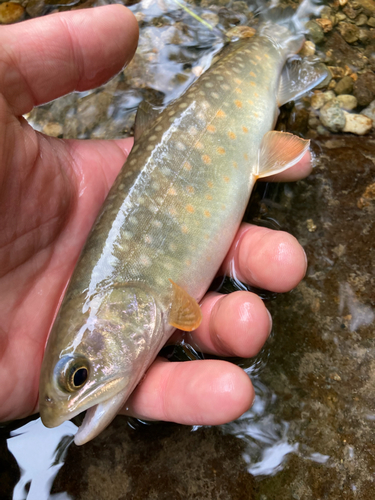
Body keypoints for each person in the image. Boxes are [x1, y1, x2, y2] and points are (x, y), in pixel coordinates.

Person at [0, 5, 310, 426]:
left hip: (239, 90)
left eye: (80, 376)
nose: (61, 414)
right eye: (78, 377)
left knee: (274, 45)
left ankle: (281, 31)